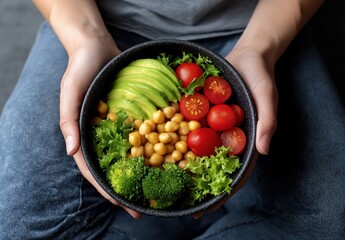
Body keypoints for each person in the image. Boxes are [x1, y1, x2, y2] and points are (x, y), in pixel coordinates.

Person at [0, 0, 344, 239]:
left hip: (260, 25)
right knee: (15, 227)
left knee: (329, 225)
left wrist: (262, 46)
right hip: (95, 22)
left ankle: (170, 223)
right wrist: (85, 38)